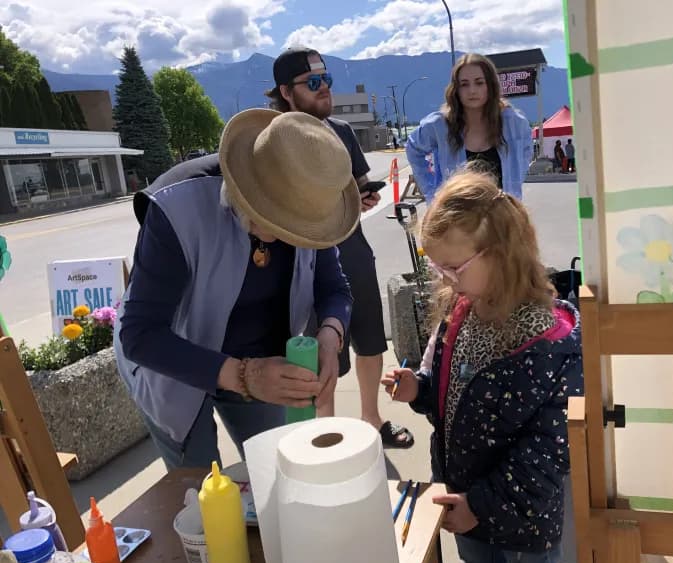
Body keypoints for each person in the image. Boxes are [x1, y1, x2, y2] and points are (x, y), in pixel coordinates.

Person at [114, 109, 358, 470]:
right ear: (245, 188)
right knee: (201, 491)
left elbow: (335, 289)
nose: (290, 237)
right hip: (176, 363)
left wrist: (329, 336)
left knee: (275, 471)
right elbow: (139, 334)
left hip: (265, 358)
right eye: (277, 221)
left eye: (299, 227)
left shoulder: (312, 204)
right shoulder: (177, 208)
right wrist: (244, 375)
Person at [382, 171, 581, 563]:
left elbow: (548, 454)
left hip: (521, 512)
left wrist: (482, 505)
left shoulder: (549, 342)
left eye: (454, 267)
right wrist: (417, 389)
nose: (446, 279)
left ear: (502, 255)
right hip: (462, 493)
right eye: (437, 266)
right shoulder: (460, 314)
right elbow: (448, 394)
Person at [266, 47, 414, 448]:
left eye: (326, 79)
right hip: (295, 254)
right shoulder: (272, 135)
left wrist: (365, 198)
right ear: (286, 90)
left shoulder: (342, 132)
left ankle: (371, 421)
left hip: (349, 245)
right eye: (313, 83)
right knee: (313, 349)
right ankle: (324, 434)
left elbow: (360, 187)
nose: (324, 89)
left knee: (369, 336)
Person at [405, 53, 532, 204]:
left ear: (490, 85)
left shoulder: (514, 124)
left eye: (479, 83)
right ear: (456, 89)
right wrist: (433, 192)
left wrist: (513, 183)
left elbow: (525, 153)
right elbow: (413, 148)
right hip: (458, 221)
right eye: (464, 84)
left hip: (504, 218)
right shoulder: (440, 125)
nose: (472, 90)